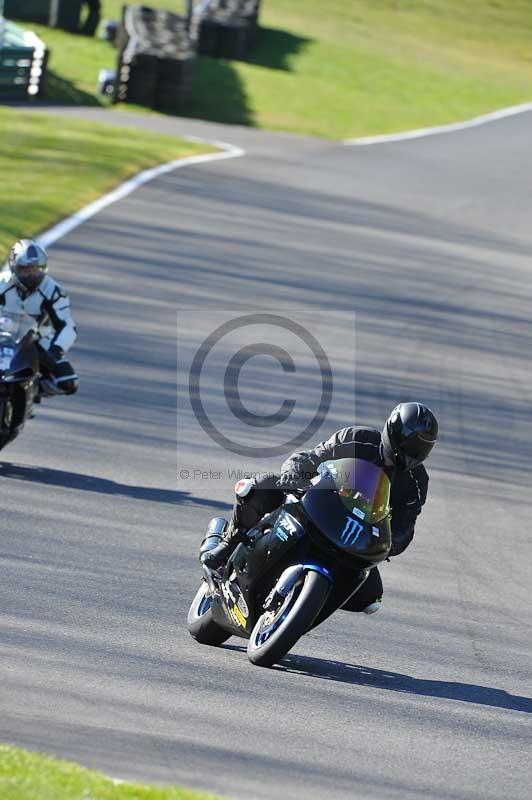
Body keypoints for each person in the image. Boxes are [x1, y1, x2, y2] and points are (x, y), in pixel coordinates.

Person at [202, 402, 438, 614]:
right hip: (319, 507)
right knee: (259, 487)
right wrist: (295, 478)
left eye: (421, 448)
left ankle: (303, 609)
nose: (413, 452)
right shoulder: (358, 438)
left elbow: (405, 525)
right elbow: (309, 459)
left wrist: (389, 544)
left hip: (354, 536)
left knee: (370, 598)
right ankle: (228, 543)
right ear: (394, 432)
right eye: (410, 443)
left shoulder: (417, 482)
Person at [1, 239, 78, 399]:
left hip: (38, 340)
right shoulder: (2, 282)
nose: (30, 274)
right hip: (3, 335)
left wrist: (55, 352)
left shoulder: (53, 290)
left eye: (35, 269)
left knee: (68, 382)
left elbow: (67, 326)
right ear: (14, 267)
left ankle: (34, 390)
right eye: (25, 269)